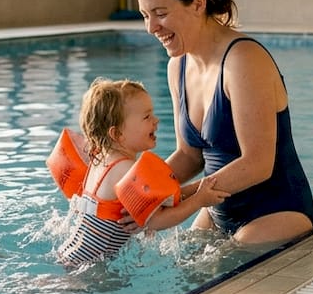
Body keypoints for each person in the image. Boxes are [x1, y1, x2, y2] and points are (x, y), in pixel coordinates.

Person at [134, 0, 313, 246]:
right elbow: (189, 155)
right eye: (146, 15)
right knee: (190, 275)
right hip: (217, 209)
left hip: (275, 211)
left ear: (198, 3)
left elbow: (258, 163)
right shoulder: (178, 65)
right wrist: (139, 193)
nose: (152, 27)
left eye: (161, 13)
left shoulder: (243, 60)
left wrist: (180, 198)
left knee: (223, 273)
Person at [57, 77, 229, 266]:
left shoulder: (102, 160)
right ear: (117, 134)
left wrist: (201, 187)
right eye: (147, 117)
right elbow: (158, 220)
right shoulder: (125, 169)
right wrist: (199, 200)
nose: (156, 121)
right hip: (87, 268)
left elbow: (165, 199)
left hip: (71, 255)